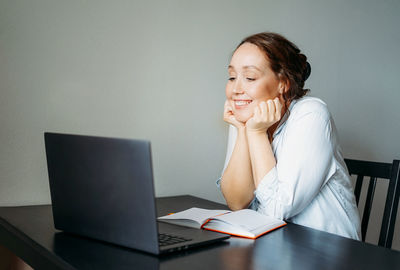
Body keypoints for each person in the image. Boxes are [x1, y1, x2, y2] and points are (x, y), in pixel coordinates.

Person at [218, 32, 361, 240]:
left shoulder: (311, 113)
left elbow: (277, 209)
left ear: (282, 83)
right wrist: (242, 130)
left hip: (329, 252)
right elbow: (237, 202)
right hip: (276, 247)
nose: (236, 89)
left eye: (249, 78)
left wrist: (256, 134)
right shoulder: (248, 117)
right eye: (232, 77)